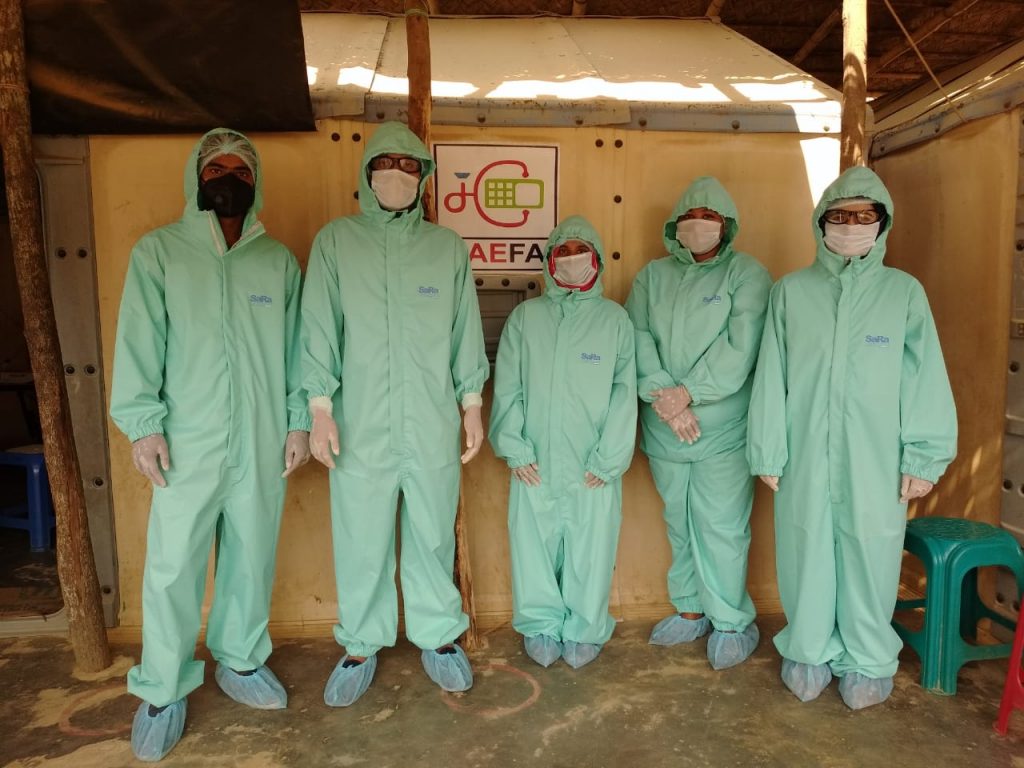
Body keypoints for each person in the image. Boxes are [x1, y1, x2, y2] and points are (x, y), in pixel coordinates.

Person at [110, 128, 310, 762]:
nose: (229, 179)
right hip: (186, 441)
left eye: (241, 171)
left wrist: (298, 421)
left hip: (260, 438)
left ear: (256, 183)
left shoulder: (276, 262)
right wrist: (143, 424)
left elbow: (298, 349)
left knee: (251, 555)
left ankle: (240, 659)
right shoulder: (160, 253)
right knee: (173, 566)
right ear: (195, 179)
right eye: (215, 169)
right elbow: (138, 342)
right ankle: (162, 687)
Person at [747, 166, 958, 710]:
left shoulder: (903, 293)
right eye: (840, 216)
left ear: (883, 223)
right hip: (805, 450)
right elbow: (772, 373)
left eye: (865, 216)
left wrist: (924, 455)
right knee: (806, 547)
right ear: (821, 222)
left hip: (875, 453)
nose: (851, 226)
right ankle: (808, 648)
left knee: (871, 551)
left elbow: (924, 377)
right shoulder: (792, 292)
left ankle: (867, 656)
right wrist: (768, 446)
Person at [301, 121, 488, 707]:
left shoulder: (445, 247)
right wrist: (319, 408)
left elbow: (464, 330)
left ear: (423, 177)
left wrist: (472, 404)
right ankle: (360, 643)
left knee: (431, 532)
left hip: (431, 420)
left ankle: (438, 635)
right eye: (385, 164)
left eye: (409, 166)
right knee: (362, 537)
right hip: (359, 422)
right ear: (367, 174)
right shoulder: (337, 242)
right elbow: (318, 327)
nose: (397, 175)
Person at [625, 176, 771, 670]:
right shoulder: (652, 277)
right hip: (664, 425)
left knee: (722, 526)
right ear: (675, 225)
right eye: (691, 217)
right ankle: (690, 609)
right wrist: (666, 397)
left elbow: (742, 345)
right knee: (680, 522)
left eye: (710, 217)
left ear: (726, 225)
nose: (700, 224)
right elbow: (637, 336)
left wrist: (689, 393)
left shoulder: (746, 274)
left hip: (721, 429)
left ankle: (730, 620)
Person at [489, 215, 636, 669]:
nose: (572, 259)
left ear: (597, 260)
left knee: (591, 549)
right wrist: (514, 446)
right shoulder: (526, 318)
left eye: (580, 251)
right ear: (550, 262)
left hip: (593, 462)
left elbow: (624, 392)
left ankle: (585, 628)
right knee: (533, 546)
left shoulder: (614, 320)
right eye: (563, 252)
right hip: (534, 460)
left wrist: (609, 457)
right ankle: (539, 624)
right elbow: (508, 386)